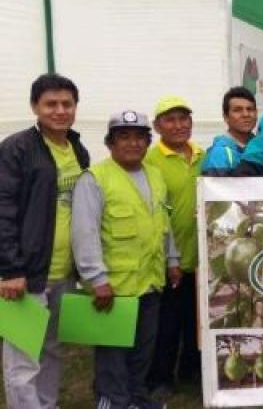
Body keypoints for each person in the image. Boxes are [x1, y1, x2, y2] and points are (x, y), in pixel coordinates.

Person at [72, 110, 180, 409]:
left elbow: (164, 223)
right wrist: (96, 279)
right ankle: (113, 401)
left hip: (150, 281)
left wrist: (172, 260)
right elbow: (85, 232)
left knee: (143, 350)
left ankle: (136, 398)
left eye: (139, 137)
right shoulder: (95, 179)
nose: (132, 143)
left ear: (148, 142)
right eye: (124, 137)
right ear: (110, 143)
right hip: (114, 287)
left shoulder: (154, 175)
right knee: (113, 353)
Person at [0, 74, 90, 409]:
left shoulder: (77, 150)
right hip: (26, 275)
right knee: (24, 358)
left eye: (67, 104)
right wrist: (10, 269)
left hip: (63, 273)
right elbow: (3, 209)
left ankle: (46, 404)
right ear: (35, 107)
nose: (60, 110)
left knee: (52, 349)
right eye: (51, 104)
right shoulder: (17, 148)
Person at [144, 96, 204, 394]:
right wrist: (172, 259)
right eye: (170, 119)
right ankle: (161, 378)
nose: (179, 125)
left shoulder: (204, 156)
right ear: (157, 126)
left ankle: (191, 370)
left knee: (196, 321)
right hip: (171, 258)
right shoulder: (150, 161)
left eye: (184, 119)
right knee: (167, 324)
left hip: (202, 256)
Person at [202, 86, 258, 176]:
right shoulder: (219, 154)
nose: (246, 114)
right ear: (226, 117)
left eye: (250, 109)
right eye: (238, 110)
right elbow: (215, 189)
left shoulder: (262, 148)